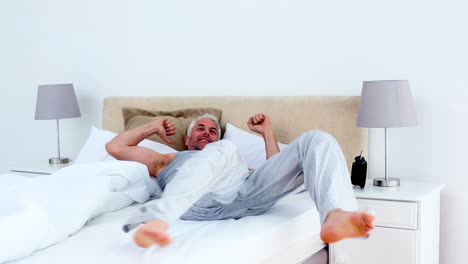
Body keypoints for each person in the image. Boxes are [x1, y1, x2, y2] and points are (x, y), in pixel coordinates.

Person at [106, 113, 375, 248]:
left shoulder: (227, 155)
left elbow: (276, 170)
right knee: (226, 150)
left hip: (246, 192)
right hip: (200, 201)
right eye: (200, 128)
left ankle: (335, 214)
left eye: (213, 131)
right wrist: (153, 125)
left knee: (318, 138)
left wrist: (267, 133)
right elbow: (115, 147)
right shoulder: (166, 157)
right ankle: (158, 218)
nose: (207, 133)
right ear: (187, 140)